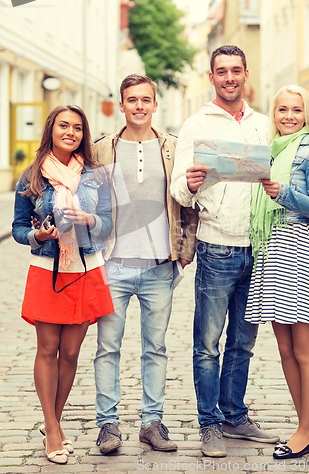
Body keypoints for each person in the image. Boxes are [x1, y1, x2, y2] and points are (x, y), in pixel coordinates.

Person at [170, 44, 280, 457]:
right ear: (211, 77)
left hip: (259, 247)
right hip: (217, 247)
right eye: (221, 71)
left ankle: (234, 417)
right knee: (208, 344)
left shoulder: (265, 125)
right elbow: (177, 188)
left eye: (236, 70)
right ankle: (209, 424)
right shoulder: (196, 124)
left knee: (243, 342)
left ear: (246, 74)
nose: (229, 78)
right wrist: (193, 183)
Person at [91, 73, 198, 454]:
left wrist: (184, 253)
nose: (138, 106)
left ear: (155, 104)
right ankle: (108, 426)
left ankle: (152, 422)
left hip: (158, 268)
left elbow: (188, 202)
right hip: (112, 266)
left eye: (145, 99)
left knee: (156, 348)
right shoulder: (102, 149)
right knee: (108, 348)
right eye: (131, 99)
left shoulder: (172, 148)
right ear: (121, 105)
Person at [12, 105, 114, 465]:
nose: (70, 132)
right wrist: (37, 235)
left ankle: (52, 421)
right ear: (51, 130)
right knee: (48, 348)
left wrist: (89, 219)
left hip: (85, 268)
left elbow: (108, 222)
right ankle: (53, 429)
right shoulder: (32, 176)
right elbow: (18, 228)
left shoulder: (95, 175)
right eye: (63, 126)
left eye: (77, 127)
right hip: (47, 268)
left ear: (83, 134)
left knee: (71, 353)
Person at [245, 84, 309, 459]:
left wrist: (284, 194)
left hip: (299, 251)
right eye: (282, 110)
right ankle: (306, 425)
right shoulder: (268, 152)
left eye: (296, 110)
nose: (289, 117)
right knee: (284, 348)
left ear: (305, 114)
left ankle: (303, 430)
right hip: (271, 254)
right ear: (273, 113)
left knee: (304, 349)